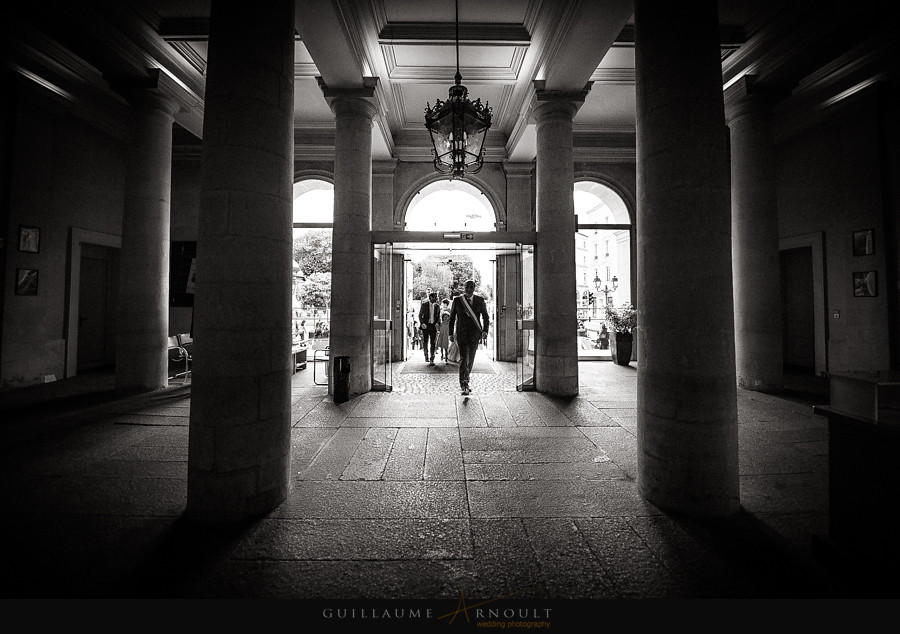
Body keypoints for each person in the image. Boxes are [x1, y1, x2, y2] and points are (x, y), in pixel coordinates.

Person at [448, 279, 490, 395]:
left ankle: (466, 378)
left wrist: (485, 331)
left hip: (475, 334)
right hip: (461, 334)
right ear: (464, 288)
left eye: (471, 287)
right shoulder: (458, 301)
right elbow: (451, 318)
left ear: (474, 288)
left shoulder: (480, 300)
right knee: (463, 358)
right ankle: (464, 383)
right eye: (467, 287)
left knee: (470, 359)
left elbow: (486, 317)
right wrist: (450, 334)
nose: (469, 289)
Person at [418, 292, 440, 364]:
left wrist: (437, 323)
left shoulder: (437, 306)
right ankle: (426, 355)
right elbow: (420, 315)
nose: (437, 298)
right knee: (425, 341)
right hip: (426, 326)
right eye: (435, 297)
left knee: (433, 342)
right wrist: (422, 323)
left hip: (433, 326)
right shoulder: (424, 305)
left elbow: (438, 316)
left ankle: (432, 358)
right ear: (431, 297)